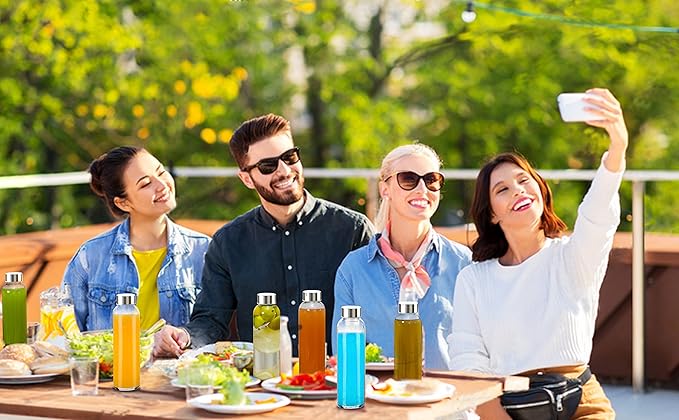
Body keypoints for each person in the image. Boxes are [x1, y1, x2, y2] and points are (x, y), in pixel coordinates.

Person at [448, 88, 626, 418]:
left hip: (581, 402)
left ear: (540, 189)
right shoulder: (473, 279)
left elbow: (597, 213)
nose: (518, 191)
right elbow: (467, 361)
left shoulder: (572, 257)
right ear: (492, 214)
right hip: (510, 407)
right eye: (503, 189)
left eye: (524, 180)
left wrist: (617, 146)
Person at [154, 113, 374, 357]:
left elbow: (375, 311)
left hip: (339, 374)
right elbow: (211, 320)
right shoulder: (227, 242)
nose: (284, 171)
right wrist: (184, 336)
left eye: (290, 157)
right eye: (268, 166)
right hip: (261, 377)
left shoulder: (353, 230)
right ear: (247, 179)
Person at [332, 143, 472, 370]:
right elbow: (344, 358)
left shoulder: (463, 262)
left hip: (448, 391)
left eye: (431, 180)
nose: (422, 189)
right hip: (378, 391)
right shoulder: (353, 269)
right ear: (384, 189)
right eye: (408, 179)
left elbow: (479, 349)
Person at [62, 146, 211, 332]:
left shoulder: (203, 250)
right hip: (111, 353)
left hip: (184, 353)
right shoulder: (90, 257)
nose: (162, 185)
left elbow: (211, 325)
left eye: (161, 172)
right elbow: (65, 330)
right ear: (123, 203)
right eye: (146, 183)